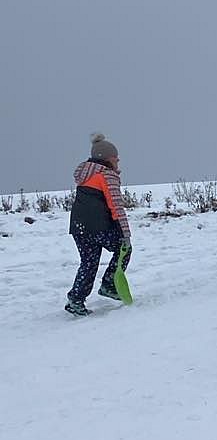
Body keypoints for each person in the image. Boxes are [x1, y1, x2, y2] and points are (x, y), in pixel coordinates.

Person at [65, 133, 132, 317]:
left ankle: (76, 300)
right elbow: (115, 205)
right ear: (108, 159)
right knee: (124, 249)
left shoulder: (86, 174)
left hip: (79, 227)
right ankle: (109, 285)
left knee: (89, 262)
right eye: (116, 158)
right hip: (98, 227)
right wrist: (125, 234)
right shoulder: (106, 175)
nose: (118, 161)